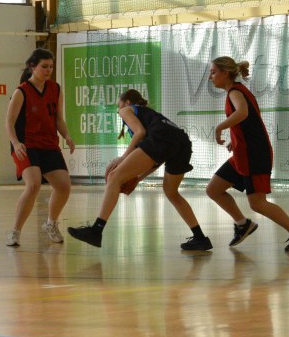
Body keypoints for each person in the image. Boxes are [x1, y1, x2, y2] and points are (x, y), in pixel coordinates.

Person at [68, 89, 212, 251]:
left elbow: (140, 133)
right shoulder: (151, 117)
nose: (118, 110)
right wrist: (139, 178)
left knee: (114, 176)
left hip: (164, 140)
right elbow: (157, 156)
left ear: (127, 102)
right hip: (182, 143)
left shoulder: (126, 110)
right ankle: (200, 238)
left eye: (119, 105)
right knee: (171, 192)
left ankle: (96, 230)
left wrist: (122, 158)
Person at [205, 56, 289, 252]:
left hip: (254, 155)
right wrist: (235, 140)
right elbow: (247, 121)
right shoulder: (236, 91)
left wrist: (219, 128)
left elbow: (242, 113)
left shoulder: (235, 92)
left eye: (213, 72)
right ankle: (243, 224)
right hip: (242, 154)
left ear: (225, 73)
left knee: (258, 203)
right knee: (213, 190)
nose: (210, 77)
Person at [4, 48, 75, 247]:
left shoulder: (55, 89)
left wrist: (67, 136)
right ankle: (15, 231)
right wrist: (15, 143)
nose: (48, 70)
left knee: (64, 186)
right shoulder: (21, 91)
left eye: (51, 66)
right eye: (44, 66)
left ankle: (51, 223)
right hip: (26, 145)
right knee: (34, 184)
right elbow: (9, 122)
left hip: (48, 144)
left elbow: (58, 119)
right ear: (32, 67)